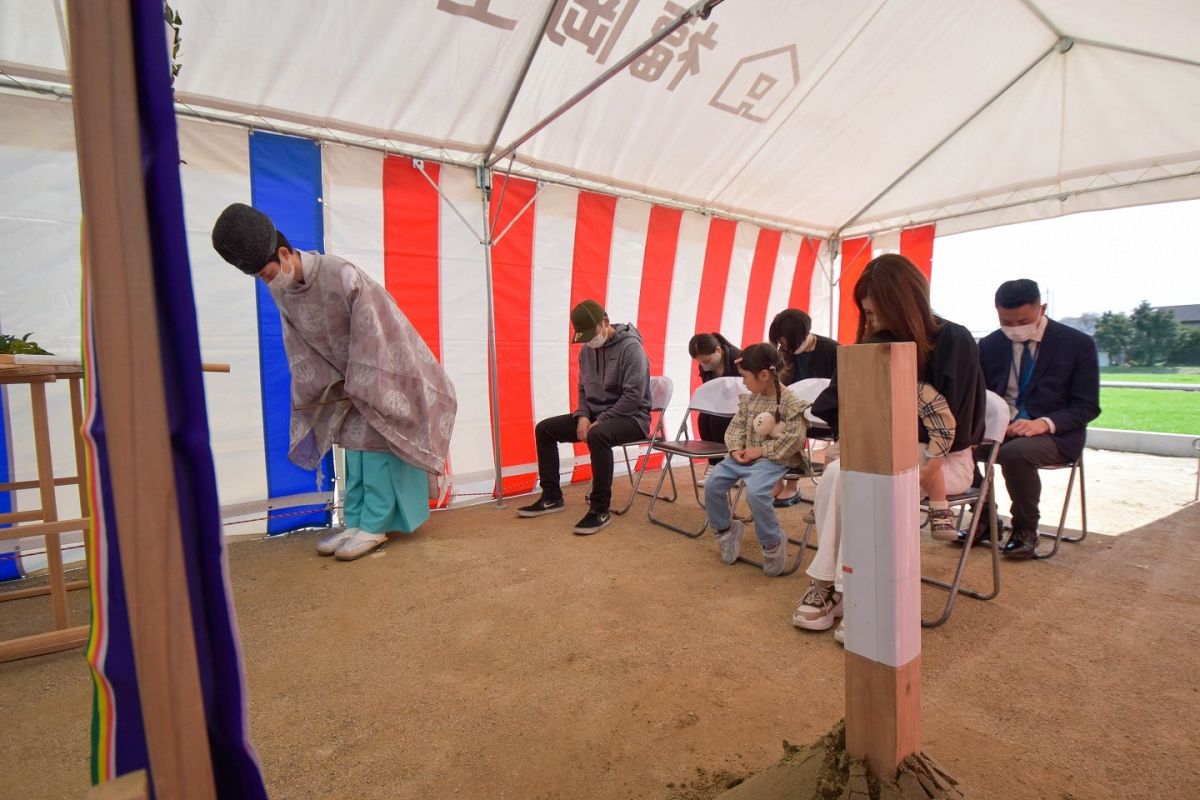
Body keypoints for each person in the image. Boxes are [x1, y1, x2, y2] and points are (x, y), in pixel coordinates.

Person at [211, 203, 457, 561]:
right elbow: (298, 344)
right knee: (353, 448)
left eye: (267, 274)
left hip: (380, 370)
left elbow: (379, 328)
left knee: (377, 447)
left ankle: (377, 524)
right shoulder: (282, 292)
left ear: (284, 253)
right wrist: (327, 383)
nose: (268, 282)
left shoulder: (340, 273)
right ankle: (356, 519)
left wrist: (363, 377)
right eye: (260, 279)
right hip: (342, 380)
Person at [792, 254, 986, 640]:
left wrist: (883, 425)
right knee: (837, 473)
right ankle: (832, 584)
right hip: (877, 453)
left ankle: (859, 593)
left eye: (876, 313)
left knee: (860, 480)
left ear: (903, 302)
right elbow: (830, 404)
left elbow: (958, 428)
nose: (872, 322)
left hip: (941, 461)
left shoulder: (953, 339)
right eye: (866, 314)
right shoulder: (872, 344)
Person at [977, 279, 1100, 558]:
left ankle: (1025, 529)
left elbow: (1087, 405)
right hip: (1001, 427)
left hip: (1055, 433)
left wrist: (1044, 423)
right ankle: (984, 519)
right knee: (957, 445)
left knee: (1015, 454)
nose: (1014, 328)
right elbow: (979, 394)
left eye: (1022, 320)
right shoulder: (990, 344)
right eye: (1006, 321)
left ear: (1041, 308)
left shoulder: (1076, 344)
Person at [517, 299, 651, 535]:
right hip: (597, 416)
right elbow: (583, 389)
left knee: (598, 435)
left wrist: (603, 419)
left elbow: (633, 396)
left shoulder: (631, 348)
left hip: (632, 418)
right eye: (584, 336)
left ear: (605, 322)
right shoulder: (586, 350)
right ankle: (551, 496)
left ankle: (600, 509)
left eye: (592, 333)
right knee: (544, 429)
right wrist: (582, 416)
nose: (589, 341)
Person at [703, 343, 810, 577]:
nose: (742, 382)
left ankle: (772, 542)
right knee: (713, 483)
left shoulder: (790, 402)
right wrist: (734, 451)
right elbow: (735, 428)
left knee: (756, 493)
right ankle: (726, 530)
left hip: (775, 458)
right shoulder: (751, 399)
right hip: (744, 456)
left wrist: (760, 451)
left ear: (764, 375)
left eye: (745, 377)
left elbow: (794, 440)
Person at [767, 308, 838, 506]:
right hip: (797, 412)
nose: (783, 346)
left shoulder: (832, 350)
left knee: (790, 425)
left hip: (825, 416)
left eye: (785, 341)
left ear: (803, 334)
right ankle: (776, 480)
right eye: (780, 342)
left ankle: (792, 485)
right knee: (769, 423)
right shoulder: (785, 353)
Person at [688, 332, 741, 472]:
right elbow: (710, 391)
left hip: (741, 406)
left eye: (706, 361)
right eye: (699, 362)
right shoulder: (705, 367)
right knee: (703, 418)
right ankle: (715, 465)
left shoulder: (738, 359)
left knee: (717, 421)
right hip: (721, 404)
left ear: (718, 350)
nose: (703, 365)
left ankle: (729, 466)